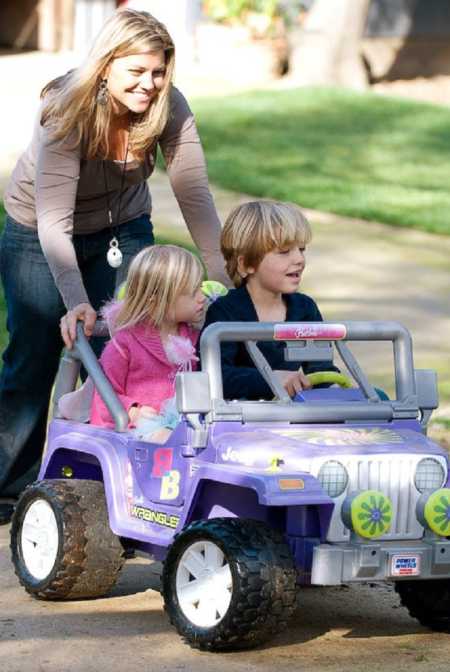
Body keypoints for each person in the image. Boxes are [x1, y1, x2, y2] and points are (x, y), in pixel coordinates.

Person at [0, 9, 226, 523]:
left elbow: (194, 194)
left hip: (121, 228)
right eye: (136, 72)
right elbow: (53, 223)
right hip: (38, 231)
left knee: (127, 348)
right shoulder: (67, 112)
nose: (149, 84)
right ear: (105, 66)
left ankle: (108, 486)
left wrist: (224, 278)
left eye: (159, 71)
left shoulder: (169, 106)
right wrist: (77, 302)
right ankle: (9, 487)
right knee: (34, 355)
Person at [203, 200, 339, 400]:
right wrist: (271, 379)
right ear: (246, 264)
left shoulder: (305, 308)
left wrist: (333, 386)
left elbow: (321, 369)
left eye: (301, 249)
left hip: (294, 419)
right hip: (241, 422)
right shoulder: (225, 312)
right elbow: (216, 376)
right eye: (284, 252)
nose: (299, 259)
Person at [89, 245, 204, 443]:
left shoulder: (196, 338)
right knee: (170, 441)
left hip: (183, 427)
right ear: (157, 300)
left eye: (201, 288)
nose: (202, 298)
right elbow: (104, 394)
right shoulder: (124, 345)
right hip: (129, 434)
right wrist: (133, 411)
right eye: (193, 292)